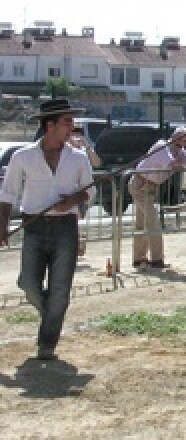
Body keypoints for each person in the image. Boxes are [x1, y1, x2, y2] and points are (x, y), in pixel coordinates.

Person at [0, 98, 96, 361]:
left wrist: (72, 201)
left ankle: (47, 344)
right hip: (34, 226)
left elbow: (89, 191)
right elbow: (8, 193)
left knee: (60, 289)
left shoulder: (78, 158)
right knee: (29, 283)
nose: (72, 127)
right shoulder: (23, 156)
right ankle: (51, 314)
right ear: (50, 125)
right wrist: (2, 225)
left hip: (66, 228)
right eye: (67, 122)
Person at [128, 127, 186, 269]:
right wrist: (182, 163)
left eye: (185, 140)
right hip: (140, 184)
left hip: (150, 187)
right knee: (154, 223)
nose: (182, 142)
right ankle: (157, 259)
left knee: (142, 223)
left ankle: (138, 258)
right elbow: (172, 165)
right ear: (174, 137)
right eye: (181, 139)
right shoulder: (162, 146)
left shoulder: (180, 151)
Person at [67, 126, 102, 257]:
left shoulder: (83, 151)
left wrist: (87, 147)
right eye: (73, 134)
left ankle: (77, 247)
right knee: (73, 221)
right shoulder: (65, 150)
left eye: (79, 135)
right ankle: (75, 247)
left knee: (77, 220)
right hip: (70, 191)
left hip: (82, 193)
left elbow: (97, 163)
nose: (76, 137)